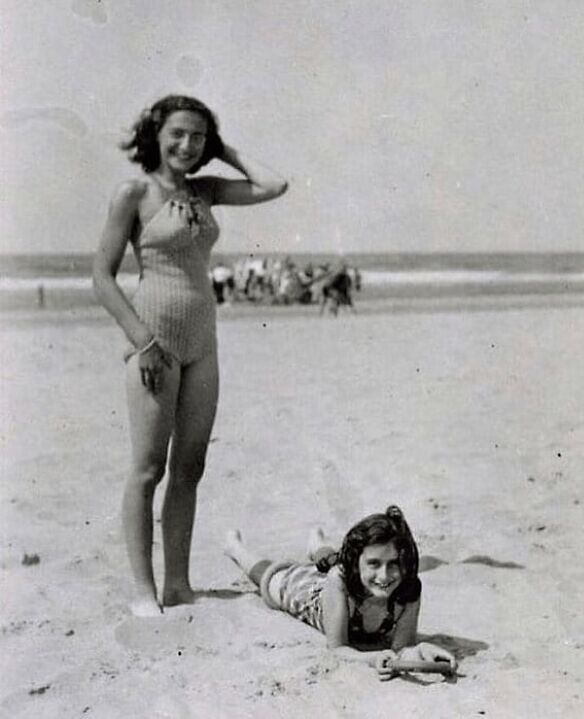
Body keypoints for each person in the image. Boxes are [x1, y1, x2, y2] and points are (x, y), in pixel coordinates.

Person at [93, 95, 288, 617]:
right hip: (153, 339)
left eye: (199, 136)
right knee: (148, 468)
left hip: (204, 340)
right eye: (178, 133)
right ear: (155, 134)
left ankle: (178, 585)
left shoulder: (206, 191)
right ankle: (143, 591)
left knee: (191, 467)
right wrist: (143, 341)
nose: (188, 144)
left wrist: (225, 149)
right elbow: (101, 277)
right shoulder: (134, 191)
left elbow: (274, 185)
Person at [224, 506, 457, 679]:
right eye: (374, 563)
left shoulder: (408, 588)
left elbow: (401, 648)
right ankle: (235, 549)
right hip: (313, 595)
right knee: (275, 578)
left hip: (350, 573)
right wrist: (370, 658)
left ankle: (317, 544)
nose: (385, 576)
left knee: (332, 560)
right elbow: (337, 649)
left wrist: (422, 651)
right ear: (357, 563)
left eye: (394, 563)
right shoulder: (341, 580)